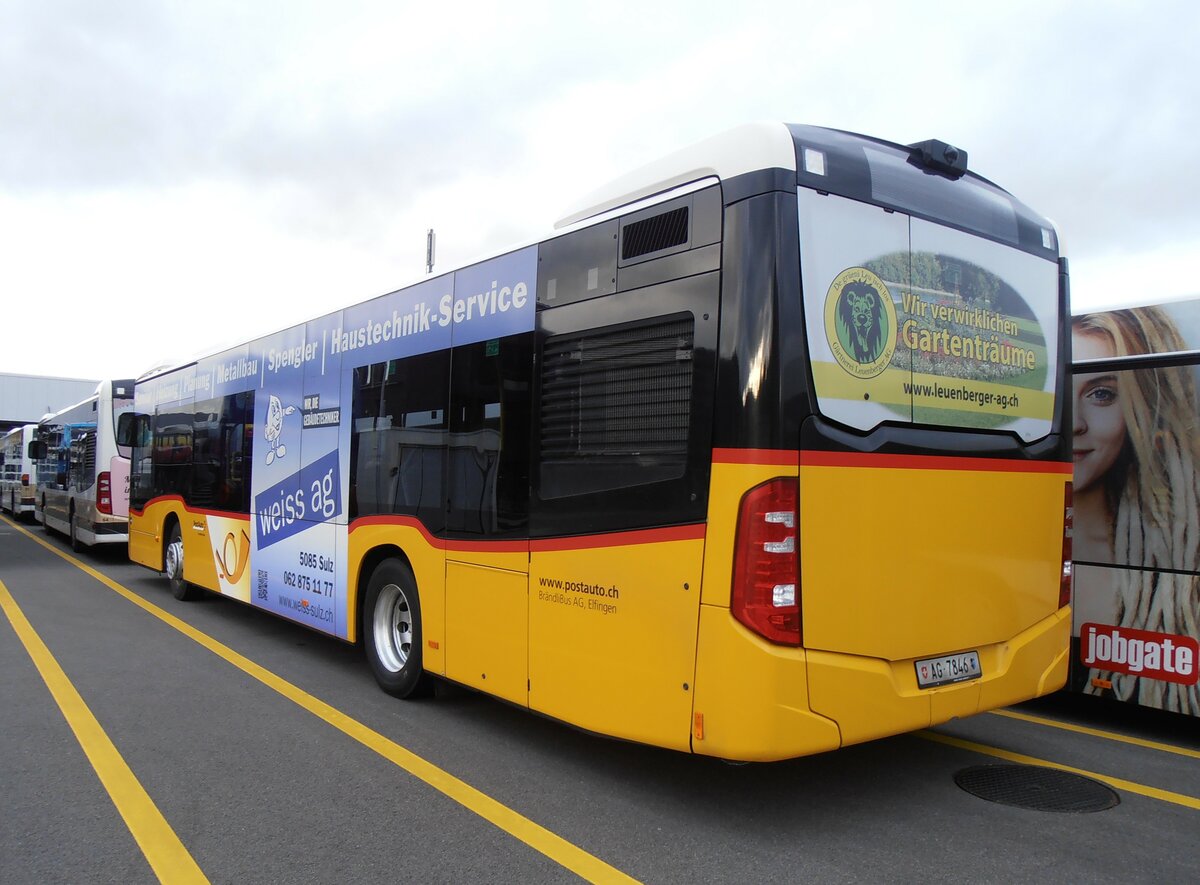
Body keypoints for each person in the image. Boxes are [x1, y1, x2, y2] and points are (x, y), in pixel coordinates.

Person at [1071, 306, 1200, 714]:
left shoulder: (1175, 559)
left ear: (1141, 409)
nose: (1073, 422)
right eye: (1055, 394)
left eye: (1102, 394)